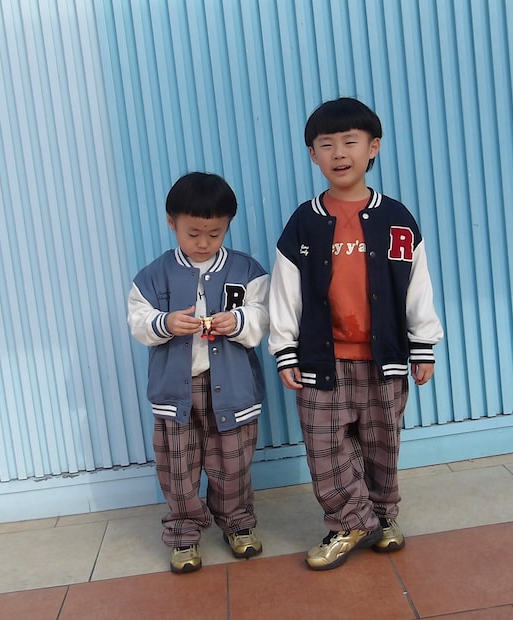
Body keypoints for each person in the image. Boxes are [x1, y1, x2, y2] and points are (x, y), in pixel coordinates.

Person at [268, 97, 443, 571]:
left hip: (385, 358)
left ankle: (382, 518)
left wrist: (423, 346)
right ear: (313, 155)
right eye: (326, 144)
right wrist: (285, 348)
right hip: (321, 361)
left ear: (373, 148)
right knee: (325, 446)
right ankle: (348, 522)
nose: (339, 153)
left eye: (350, 141)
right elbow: (284, 290)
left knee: (381, 444)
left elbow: (416, 285)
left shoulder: (396, 218)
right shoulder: (304, 222)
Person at [128, 172, 270, 573]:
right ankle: (183, 534)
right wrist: (165, 323)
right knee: (177, 467)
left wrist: (238, 321)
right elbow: (138, 321)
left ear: (228, 225)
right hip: (176, 392)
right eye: (193, 233)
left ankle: (238, 524)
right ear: (171, 222)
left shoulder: (247, 270)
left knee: (233, 463)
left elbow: (264, 315)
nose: (204, 243)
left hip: (233, 389)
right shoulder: (153, 275)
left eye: (214, 233)